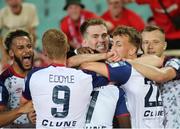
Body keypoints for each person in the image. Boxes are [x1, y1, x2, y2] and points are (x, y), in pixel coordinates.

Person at [20, 29, 131, 129]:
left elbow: (24, 104)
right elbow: (121, 73)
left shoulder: (34, 75)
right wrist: (105, 55)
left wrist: (31, 114)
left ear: (44, 51)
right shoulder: (84, 77)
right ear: (67, 48)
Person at [80, 26, 164, 128]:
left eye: (118, 45)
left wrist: (101, 56)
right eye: (112, 45)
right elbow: (156, 60)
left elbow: (85, 65)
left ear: (132, 50)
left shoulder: (123, 69)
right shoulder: (147, 65)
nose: (112, 49)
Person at [68, 19, 131, 128]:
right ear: (84, 42)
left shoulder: (119, 58)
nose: (101, 40)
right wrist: (78, 53)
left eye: (104, 35)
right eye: (95, 36)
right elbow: (67, 60)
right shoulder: (72, 62)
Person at [124, 25, 180, 128]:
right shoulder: (137, 65)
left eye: (155, 42)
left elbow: (161, 76)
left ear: (164, 45)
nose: (150, 46)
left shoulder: (174, 62)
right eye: (146, 42)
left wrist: (126, 62)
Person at [0, 29, 35, 128]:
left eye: (29, 46)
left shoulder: (40, 74)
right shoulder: (4, 80)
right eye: (20, 48)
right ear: (11, 53)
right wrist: (21, 110)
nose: (27, 50)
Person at [0, 0, 39, 72]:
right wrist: (4, 55)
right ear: (6, 1)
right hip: (9, 50)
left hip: (29, 46)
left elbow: (33, 32)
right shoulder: (2, 13)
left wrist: (31, 50)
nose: (14, 1)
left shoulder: (30, 9)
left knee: (36, 66)